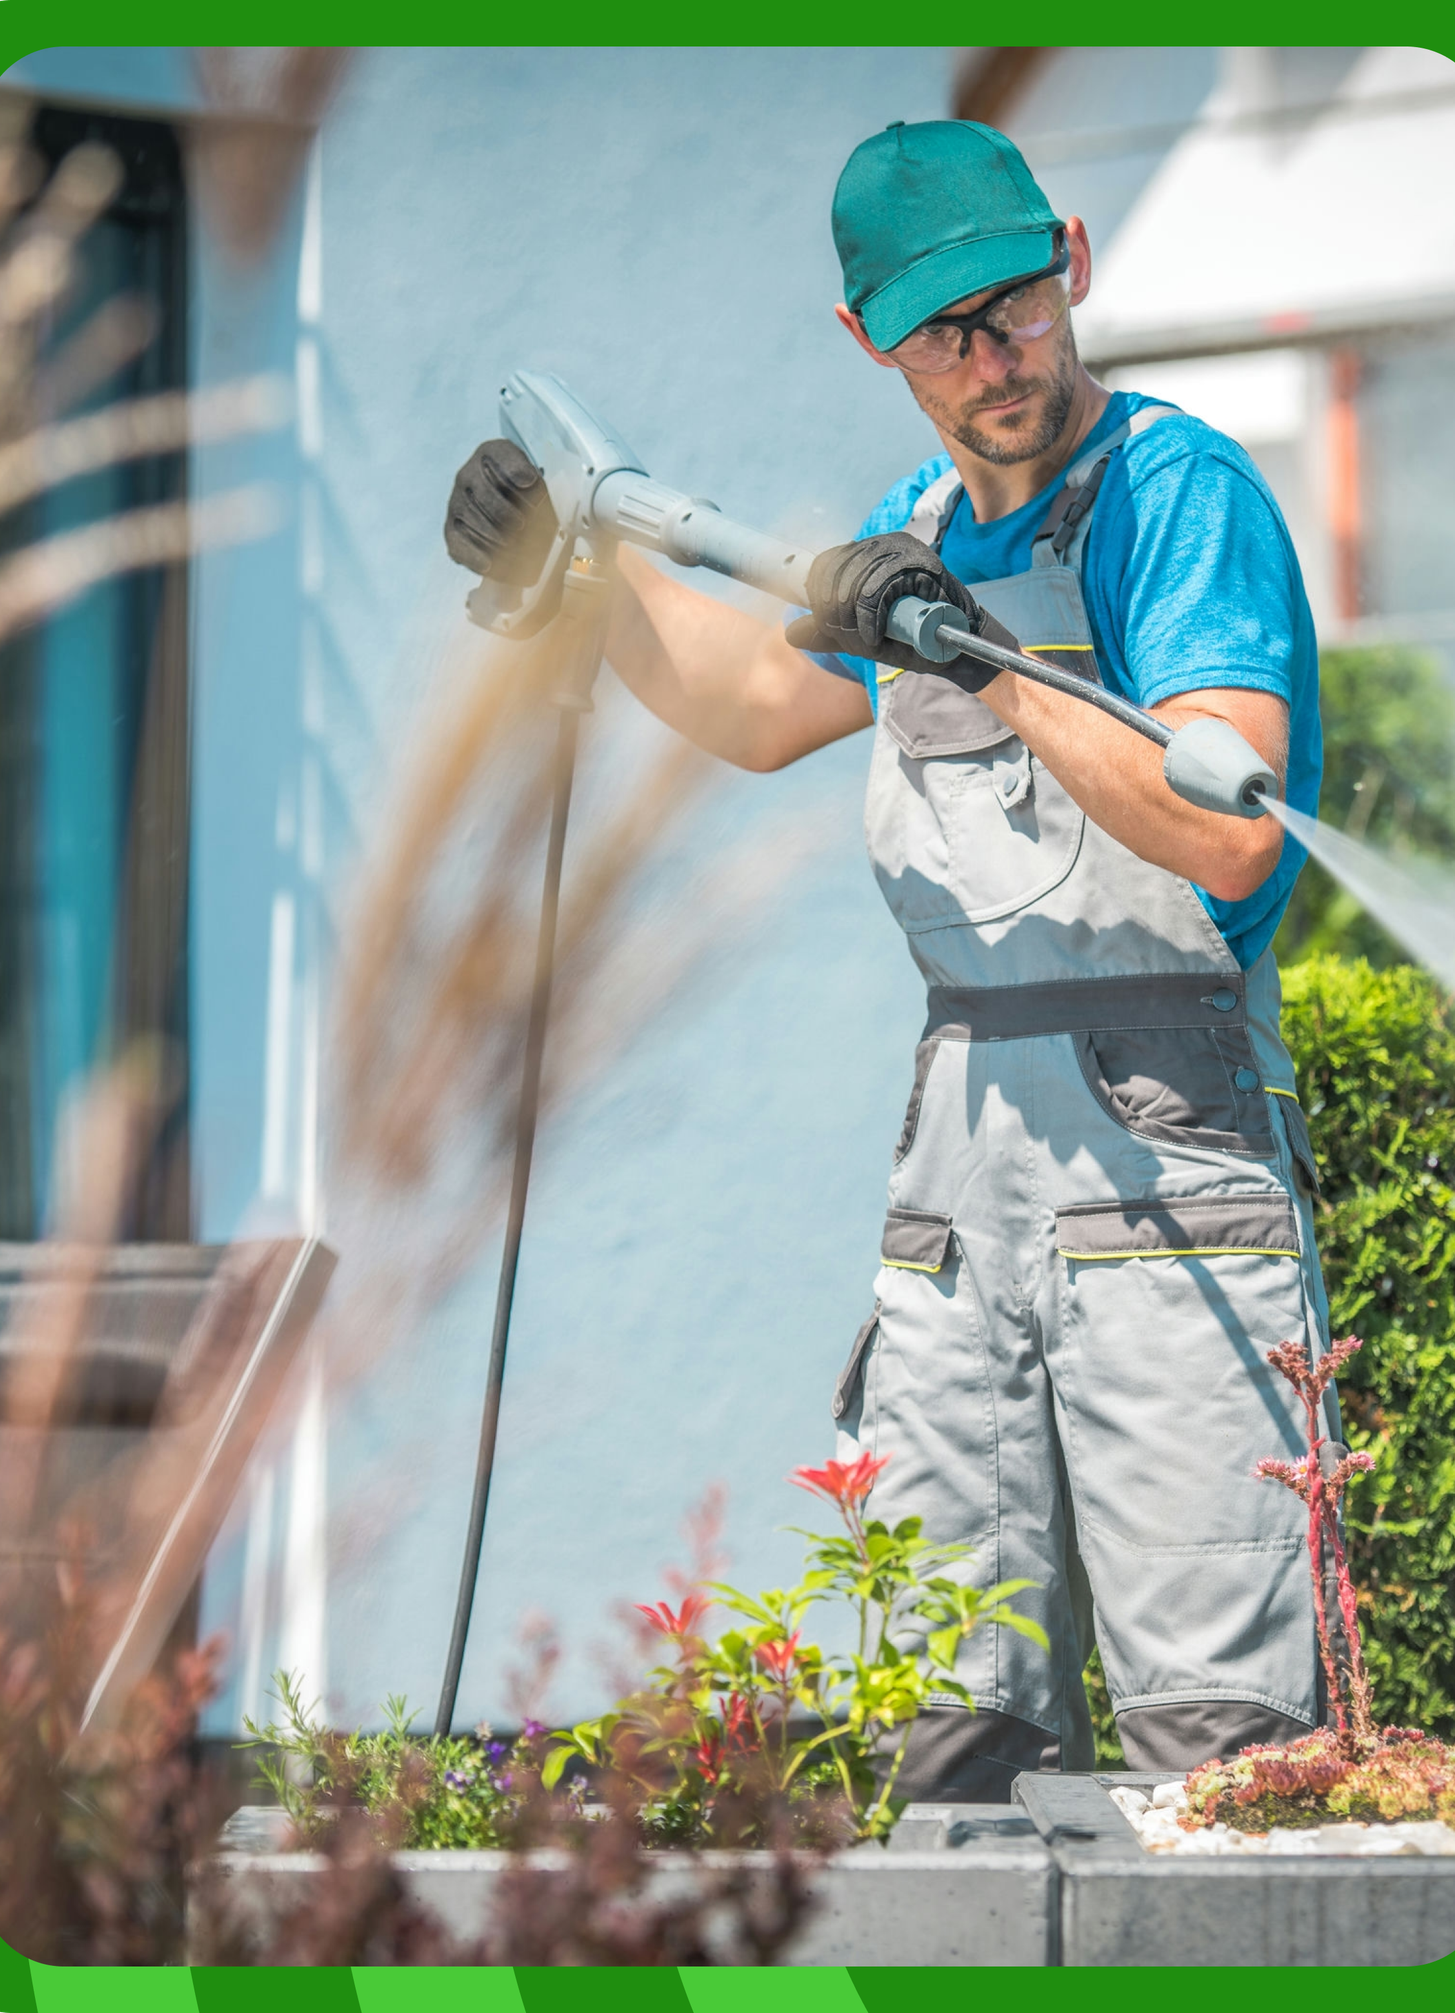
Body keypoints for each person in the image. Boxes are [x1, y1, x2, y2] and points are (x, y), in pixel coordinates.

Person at [444, 118, 1335, 1799]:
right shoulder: (919, 515)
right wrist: (580, 576)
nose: (995, 358)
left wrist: (985, 662)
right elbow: (763, 702)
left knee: (1223, 1745)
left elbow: (1231, 830)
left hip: (1169, 1155)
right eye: (945, 332)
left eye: (1015, 306)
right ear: (870, 342)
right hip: (958, 1168)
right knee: (944, 1713)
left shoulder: (1173, 493)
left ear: (1073, 259)